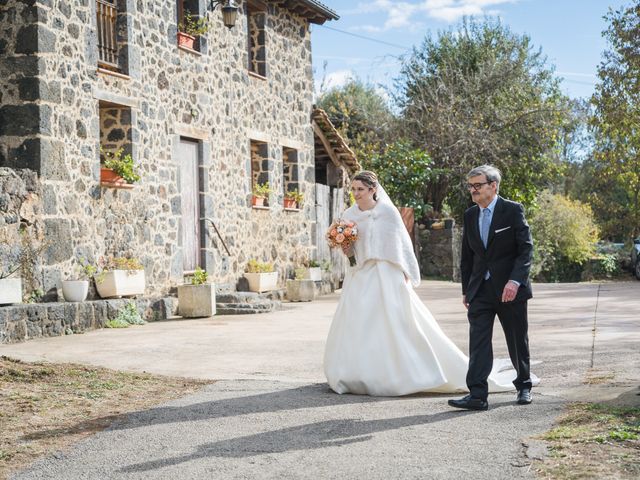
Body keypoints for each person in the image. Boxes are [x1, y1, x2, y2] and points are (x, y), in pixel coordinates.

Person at [323, 171, 518, 397]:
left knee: (394, 323)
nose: (356, 194)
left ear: (372, 190)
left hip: (386, 274)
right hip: (360, 275)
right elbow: (351, 252)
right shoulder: (348, 215)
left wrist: (405, 272)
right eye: (354, 189)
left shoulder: (388, 212)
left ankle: (398, 374)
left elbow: (401, 246)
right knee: (358, 323)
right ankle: (354, 374)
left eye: (360, 189)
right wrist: (346, 248)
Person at [448, 165, 534, 411]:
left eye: (478, 185)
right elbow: (467, 257)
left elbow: (525, 250)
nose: (472, 190)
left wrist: (515, 281)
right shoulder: (470, 215)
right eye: (470, 186)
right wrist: (467, 290)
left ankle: (524, 385)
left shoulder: (512, 210)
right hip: (480, 290)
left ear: (493, 186)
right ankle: (476, 395)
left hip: (510, 289)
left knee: (517, 339)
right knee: (478, 342)